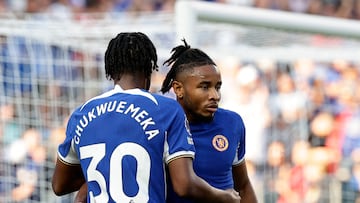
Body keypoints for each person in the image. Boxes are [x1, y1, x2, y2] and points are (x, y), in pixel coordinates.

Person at [51, 32, 240, 203]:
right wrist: (223, 196)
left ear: (110, 71)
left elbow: (59, 185)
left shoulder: (80, 115)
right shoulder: (166, 109)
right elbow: (184, 185)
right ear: (150, 69)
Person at [160, 39, 258, 203]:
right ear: (178, 89)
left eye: (217, 87)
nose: (215, 95)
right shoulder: (161, 127)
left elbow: (243, 186)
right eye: (205, 87)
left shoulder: (231, 123)